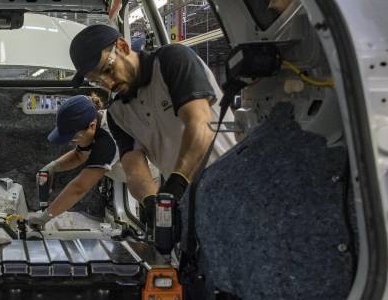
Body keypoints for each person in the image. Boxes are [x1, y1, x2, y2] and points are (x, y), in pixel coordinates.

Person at [68, 23, 234, 222]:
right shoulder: (117, 113)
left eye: (108, 69)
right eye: (97, 80)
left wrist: (178, 182)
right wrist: (149, 199)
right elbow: (133, 167)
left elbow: (200, 122)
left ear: (122, 46)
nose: (108, 83)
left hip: (232, 180)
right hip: (190, 203)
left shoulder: (171, 61)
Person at [27, 95, 119, 229]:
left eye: (73, 137)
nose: (70, 142)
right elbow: (79, 155)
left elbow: (79, 188)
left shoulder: (107, 141)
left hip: (146, 180)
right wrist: (52, 167)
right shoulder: (92, 123)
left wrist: (45, 217)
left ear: (92, 126)